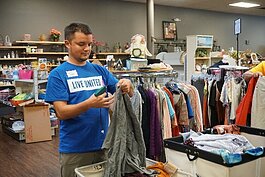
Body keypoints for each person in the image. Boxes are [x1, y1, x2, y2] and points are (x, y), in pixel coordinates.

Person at [45, 22, 134, 177]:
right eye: (81, 44)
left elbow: (125, 93)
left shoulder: (99, 70)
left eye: (89, 44)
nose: (87, 49)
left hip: (104, 146)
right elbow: (61, 112)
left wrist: (128, 85)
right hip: (75, 150)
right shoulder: (58, 75)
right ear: (67, 43)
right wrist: (89, 104)